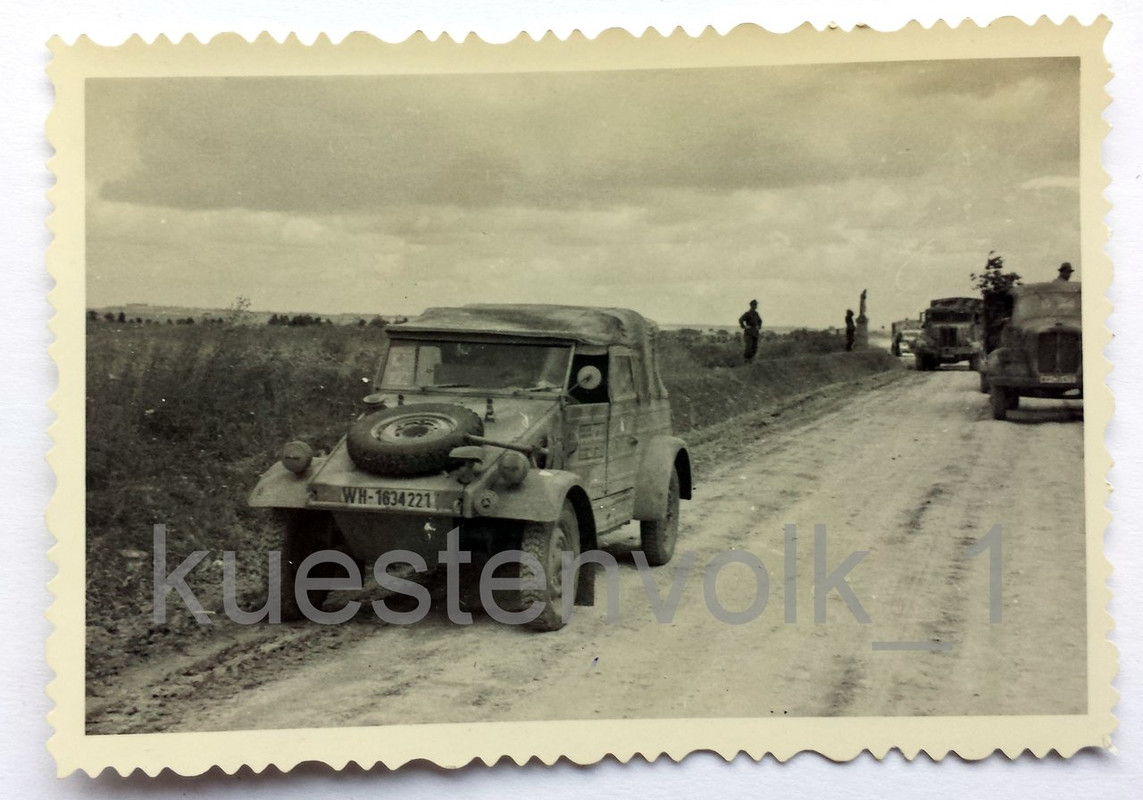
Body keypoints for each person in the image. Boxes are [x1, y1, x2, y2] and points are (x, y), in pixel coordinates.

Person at [738, 299, 762, 364]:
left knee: (754, 348)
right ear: (751, 305)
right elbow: (740, 320)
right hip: (749, 333)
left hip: (755, 333)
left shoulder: (756, 314)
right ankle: (746, 361)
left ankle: (751, 361)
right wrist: (744, 326)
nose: (756, 306)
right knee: (748, 347)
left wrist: (759, 326)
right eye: (754, 305)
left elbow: (760, 321)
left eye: (756, 305)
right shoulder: (747, 313)